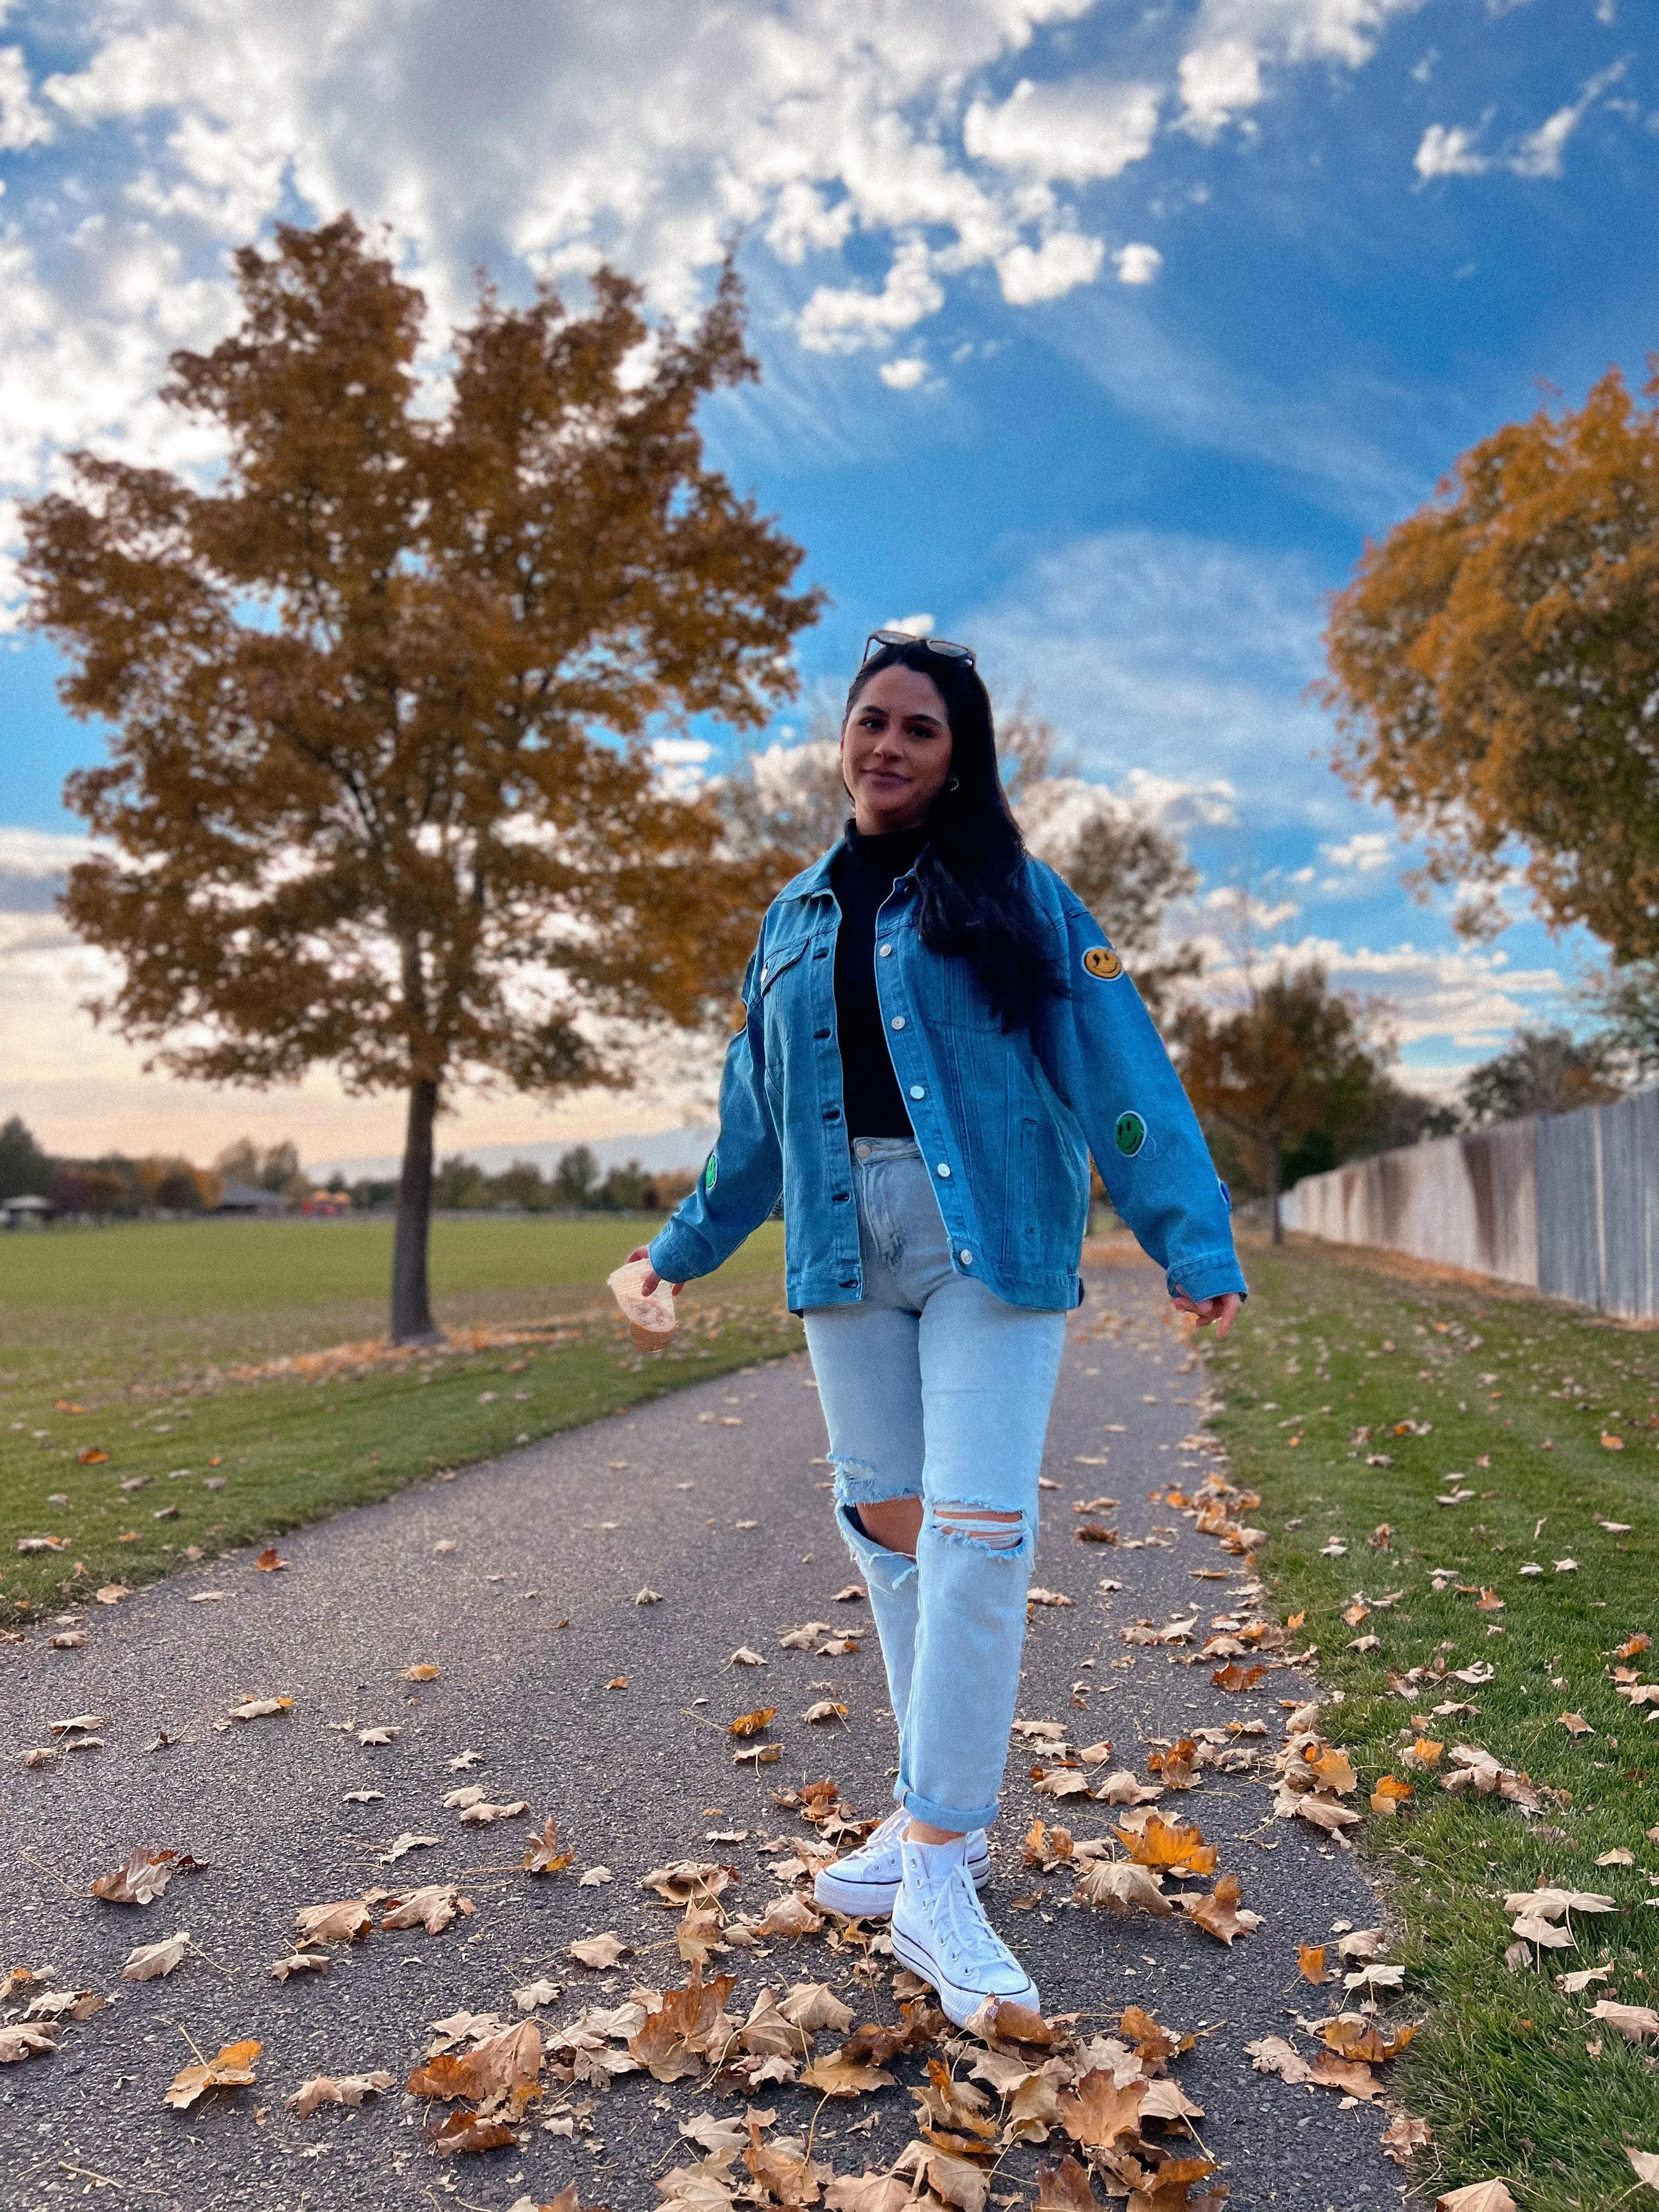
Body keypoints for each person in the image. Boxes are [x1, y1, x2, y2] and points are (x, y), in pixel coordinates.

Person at [627, 630, 1244, 2025]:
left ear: (956, 753)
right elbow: (754, 1132)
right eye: (873, 721)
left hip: (994, 1244)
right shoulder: (791, 925)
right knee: (891, 1538)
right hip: (842, 1251)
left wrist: (1187, 1236)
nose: (891, 745)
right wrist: (674, 1252)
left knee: (976, 1531)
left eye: (921, 727)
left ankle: (942, 1861)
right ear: (841, 739)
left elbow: (1116, 1063)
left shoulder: (1017, 895)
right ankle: (919, 1832)